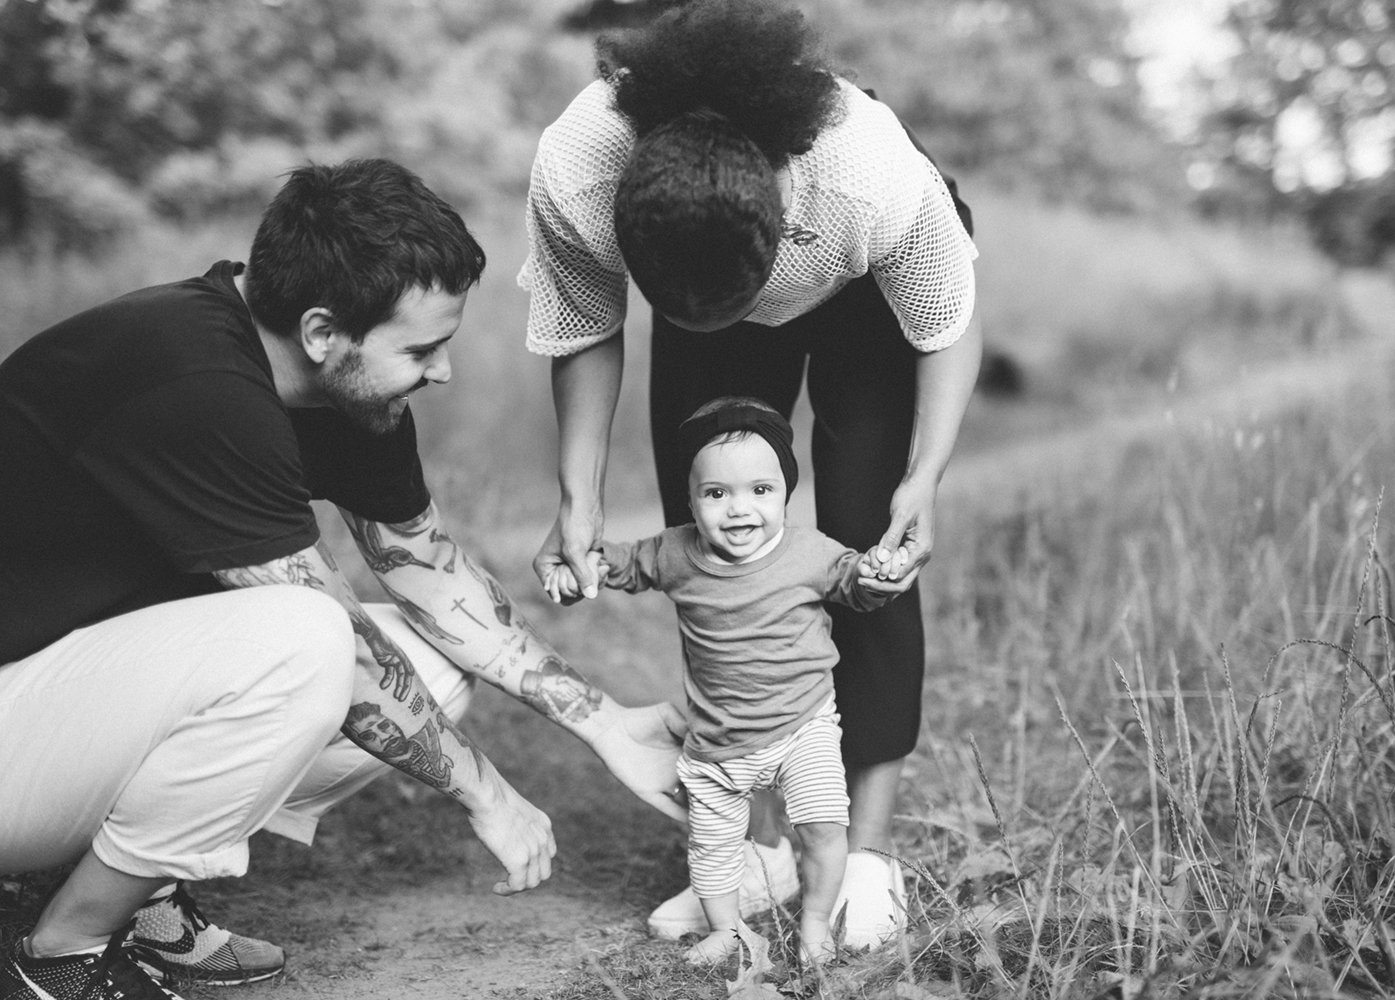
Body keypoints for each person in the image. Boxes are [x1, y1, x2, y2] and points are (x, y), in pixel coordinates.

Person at [0, 157, 684, 1000]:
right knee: (312, 640)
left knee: (430, 668)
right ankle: (63, 950)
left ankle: (134, 896)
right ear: (324, 332)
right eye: (424, 348)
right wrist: (492, 798)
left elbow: (430, 575)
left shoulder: (352, 393)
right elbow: (343, 651)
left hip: (57, 698)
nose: (442, 373)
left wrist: (607, 724)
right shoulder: (194, 378)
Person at [521, 0, 981, 947]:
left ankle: (867, 853)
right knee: (719, 542)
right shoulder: (578, 168)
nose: (685, 322)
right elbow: (586, 328)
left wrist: (923, 478)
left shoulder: (867, 182)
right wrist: (580, 501)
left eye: (712, 306)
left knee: (864, 538)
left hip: (863, 299)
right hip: (700, 260)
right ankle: (760, 847)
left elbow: (945, 325)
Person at [547, 397, 914, 963]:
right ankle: (727, 927)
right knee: (712, 851)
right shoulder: (675, 552)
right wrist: (589, 566)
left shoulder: (810, 552)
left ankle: (816, 922)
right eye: (717, 494)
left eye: (760, 491)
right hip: (719, 742)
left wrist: (875, 575)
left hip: (803, 726)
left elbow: (855, 585)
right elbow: (627, 562)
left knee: (822, 826)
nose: (739, 509)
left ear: (785, 491)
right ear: (691, 499)